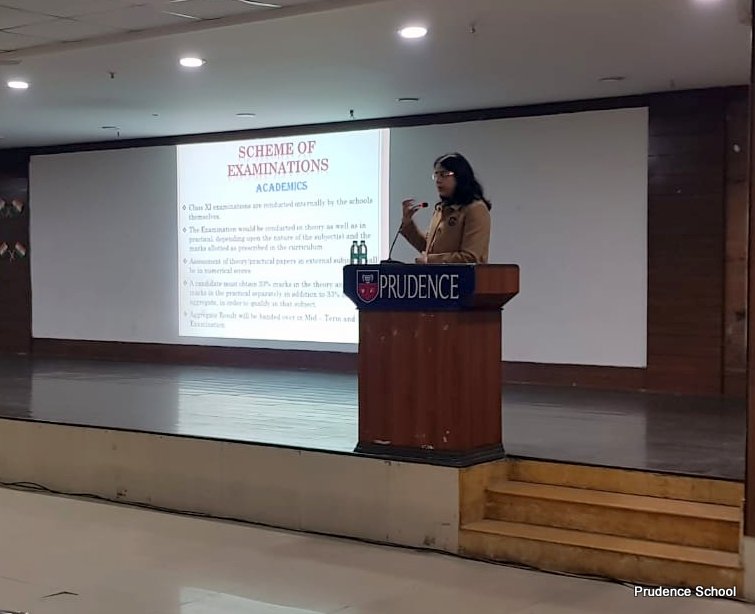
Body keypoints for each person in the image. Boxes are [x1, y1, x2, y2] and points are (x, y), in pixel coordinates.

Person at [400, 152, 491, 264]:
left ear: (460, 176)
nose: (438, 180)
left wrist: (430, 260)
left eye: (444, 174)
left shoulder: (475, 209)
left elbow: (472, 257)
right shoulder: (441, 209)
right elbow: (428, 249)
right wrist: (408, 223)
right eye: (436, 175)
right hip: (436, 275)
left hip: (462, 276)